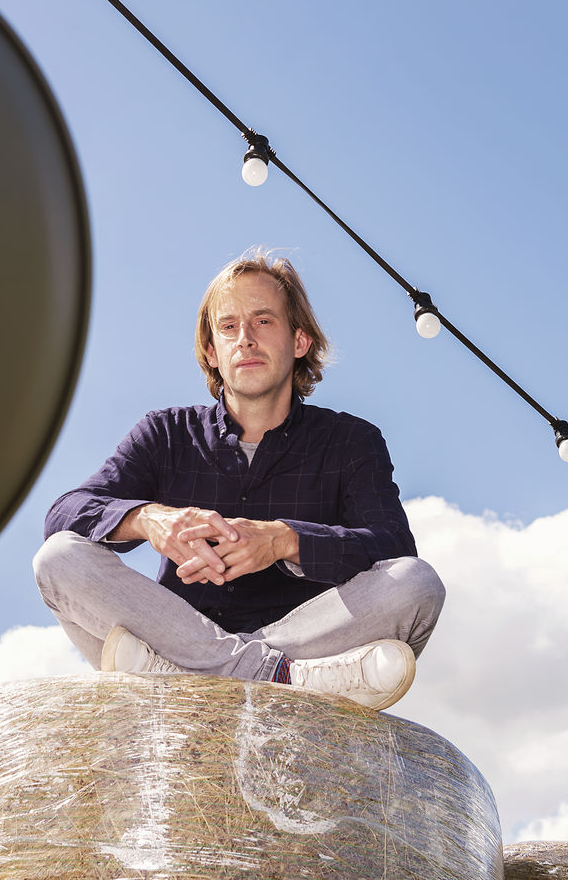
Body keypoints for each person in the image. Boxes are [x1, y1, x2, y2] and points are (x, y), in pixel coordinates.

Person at [33, 248, 444, 709]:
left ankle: (191, 678)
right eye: (228, 327)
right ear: (212, 351)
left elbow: (391, 546)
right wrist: (148, 520)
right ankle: (277, 678)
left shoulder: (351, 441)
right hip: (192, 637)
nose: (245, 339)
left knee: (417, 583)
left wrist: (285, 540)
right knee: (58, 558)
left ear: (300, 341)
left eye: (263, 321)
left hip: (295, 640)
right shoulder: (165, 433)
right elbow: (65, 513)